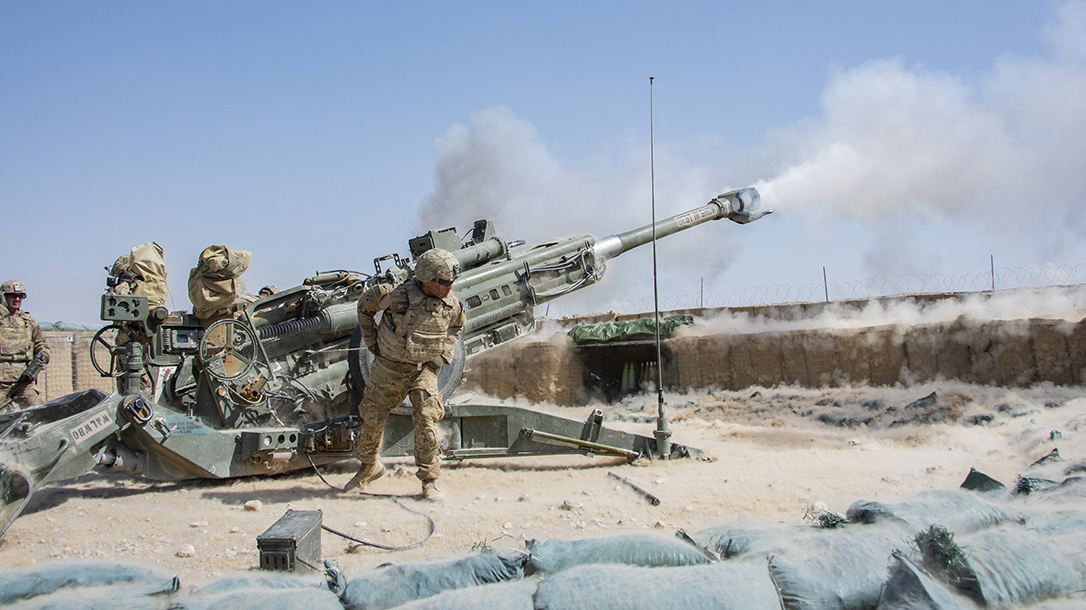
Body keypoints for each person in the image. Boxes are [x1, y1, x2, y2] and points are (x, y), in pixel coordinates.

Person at [346, 249, 466, 501]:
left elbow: (456, 327)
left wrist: (443, 355)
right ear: (427, 279)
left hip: (422, 370)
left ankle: (429, 480)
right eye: (444, 282)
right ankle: (368, 467)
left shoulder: (451, 304)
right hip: (388, 368)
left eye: (451, 281)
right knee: (372, 418)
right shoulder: (395, 297)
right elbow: (364, 309)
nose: (449, 286)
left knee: (426, 420)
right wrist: (372, 343)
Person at [0, 280, 50, 408]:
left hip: (23, 383)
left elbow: (41, 344)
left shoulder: (28, 321)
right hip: (1, 384)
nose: (16, 299)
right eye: (12, 296)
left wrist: (43, 356)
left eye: (20, 296)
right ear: (3, 297)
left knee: (39, 413)